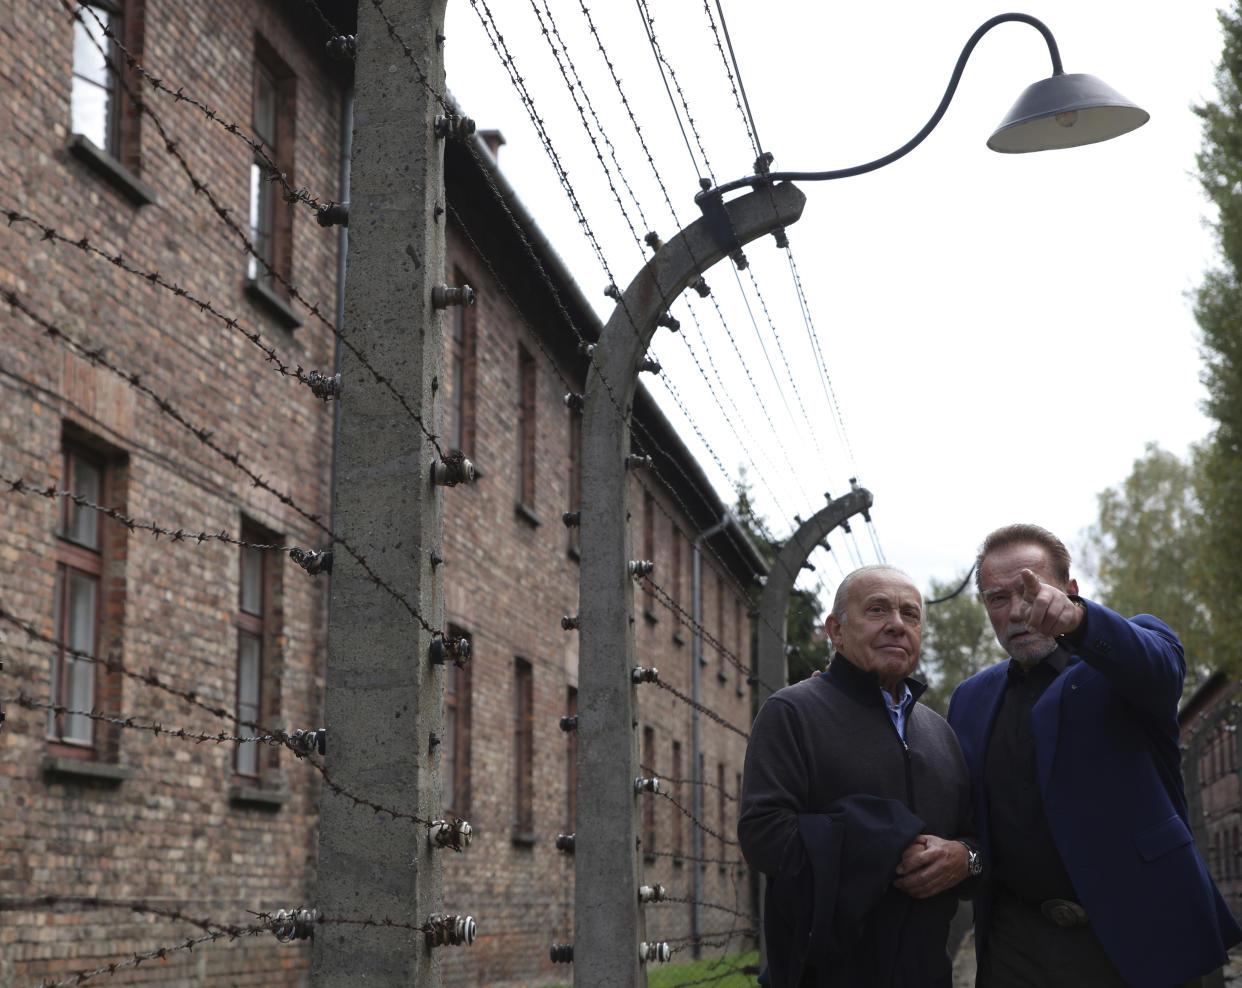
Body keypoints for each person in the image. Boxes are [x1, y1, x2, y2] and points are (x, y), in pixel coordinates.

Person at [947, 523, 1242, 988]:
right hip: (1015, 943)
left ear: (1069, 590)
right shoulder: (969, 700)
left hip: (1138, 938)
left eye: (1031, 590)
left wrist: (1081, 622)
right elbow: (971, 821)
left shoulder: (1128, 655)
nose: (1018, 611)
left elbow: (1160, 670)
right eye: (997, 598)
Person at [739, 564, 979, 988]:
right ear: (836, 631)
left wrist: (964, 858)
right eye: (877, 610)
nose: (897, 625)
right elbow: (763, 836)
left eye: (911, 614)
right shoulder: (792, 712)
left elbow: (974, 838)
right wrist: (884, 848)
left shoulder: (940, 732)